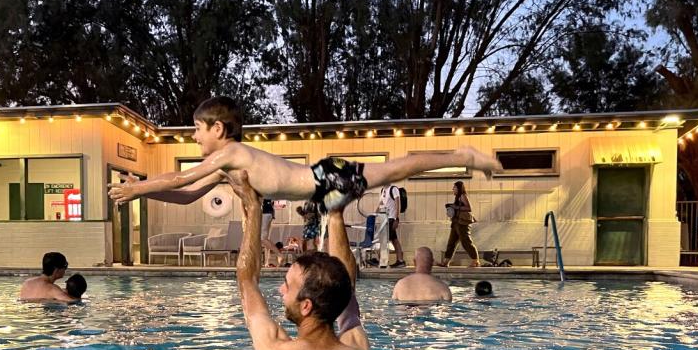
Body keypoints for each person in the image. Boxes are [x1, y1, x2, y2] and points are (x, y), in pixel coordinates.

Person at [107, 96, 501, 211]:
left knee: (397, 169)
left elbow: (181, 176)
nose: (193, 137)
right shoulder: (226, 166)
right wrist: (144, 189)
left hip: (324, 179)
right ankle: (462, 155)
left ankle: (463, 154)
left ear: (218, 130)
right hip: (319, 193)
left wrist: (138, 189)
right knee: (394, 172)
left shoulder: (230, 154)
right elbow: (186, 194)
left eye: (196, 129)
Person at [228, 170, 370, 350]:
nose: (280, 289)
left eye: (287, 284)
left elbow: (247, 281)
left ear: (306, 306)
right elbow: (346, 287)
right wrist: (335, 214)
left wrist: (253, 207)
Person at [442, 180, 481, 267]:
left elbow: (469, 208)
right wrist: (451, 206)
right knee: (451, 242)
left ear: (459, 188)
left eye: (454, 188)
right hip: (456, 222)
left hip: (462, 223)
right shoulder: (457, 197)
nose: (453, 189)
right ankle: (446, 262)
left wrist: (454, 206)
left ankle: (475, 261)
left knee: (466, 241)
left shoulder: (462, 196)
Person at [378, 184, 405, 267]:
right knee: (394, 240)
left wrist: (396, 219)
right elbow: (381, 203)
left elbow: (398, 204)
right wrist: (374, 213)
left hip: (391, 218)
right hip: (385, 218)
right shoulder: (383, 190)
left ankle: (382, 261)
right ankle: (400, 260)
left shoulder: (393, 189)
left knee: (384, 240)